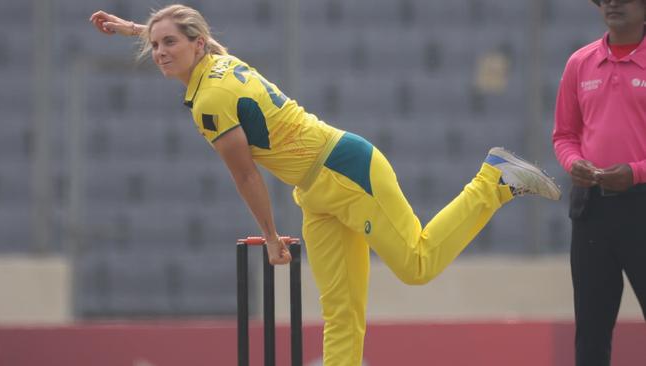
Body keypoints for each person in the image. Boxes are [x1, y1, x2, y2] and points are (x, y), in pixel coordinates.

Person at [90, 5, 561, 365]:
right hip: (317, 191)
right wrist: (130, 29)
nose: (159, 53)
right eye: (154, 46)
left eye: (168, 43)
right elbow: (181, 38)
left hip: (347, 171)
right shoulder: (218, 61)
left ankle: (493, 181)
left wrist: (272, 239)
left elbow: (247, 175)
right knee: (341, 313)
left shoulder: (210, 99)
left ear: (196, 43)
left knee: (417, 264)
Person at [552, 0, 646, 365]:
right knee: (590, 335)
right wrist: (575, 164)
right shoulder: (580, 63)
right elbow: (564, 134)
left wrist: (636, 172)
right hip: (592, 210)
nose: (612, 3)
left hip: (642, 206)